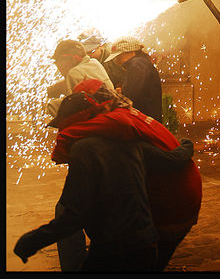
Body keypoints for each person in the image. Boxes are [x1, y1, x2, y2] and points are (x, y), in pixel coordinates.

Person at [42, 79, 202, 271]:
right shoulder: (122, 118)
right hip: (182, 204)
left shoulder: (115, 134)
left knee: (67, 208)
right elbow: (171, 158)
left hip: (168, 213)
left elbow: (167, 160)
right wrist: (185, 146)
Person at [14, 99, 159, 271]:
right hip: (147, 245)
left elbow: (74, 215)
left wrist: (30, 241)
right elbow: (167, 159)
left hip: (114, 251)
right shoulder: (127, 137)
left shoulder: (84, 149)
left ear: (73, 122)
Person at [46, 39, 114, 118]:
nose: (58, 66)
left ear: (72, 59)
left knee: (53, 105)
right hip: (111, 110)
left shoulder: (74, 73)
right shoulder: (94, 63)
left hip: (99, 117)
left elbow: (77, 108)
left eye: (59, 61)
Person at [104, 36, 162, 122]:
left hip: (143, 120)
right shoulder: (141, 63)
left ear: (131, 52)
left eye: (119, 55)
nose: (116, 59)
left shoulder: (136, 66)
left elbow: (130, 96)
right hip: (148, 118)